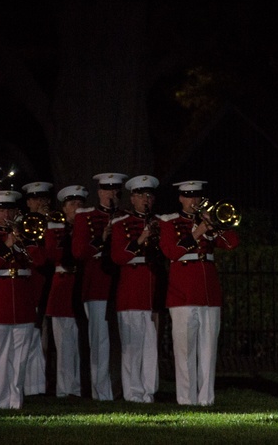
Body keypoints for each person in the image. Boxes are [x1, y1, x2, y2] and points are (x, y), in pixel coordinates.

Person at [159, 180, 239, 406]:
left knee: (208, 350)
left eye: (197, 196)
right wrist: (198, 232)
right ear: (181, 198)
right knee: (185, 350)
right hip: (183, 293)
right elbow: (171, 251)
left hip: (209, 293)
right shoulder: (169, 221)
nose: (194, 201)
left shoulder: (209, 220)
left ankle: (206, 399)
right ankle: (186, 399)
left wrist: (214, 224)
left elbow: (232, 243)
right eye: (189, 196)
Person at [0, 189, 48, 409]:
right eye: (1, 209)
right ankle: (1, 402)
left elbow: (40, 261)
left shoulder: (26, 232)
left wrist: (26, 240)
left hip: (22, 303)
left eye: (10, 209)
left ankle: (16, 403)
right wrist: (6, 247)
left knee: (20, 359)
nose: (6, 213)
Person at [71, 171, 127, 401]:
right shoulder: (86, 217)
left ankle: (125, 389)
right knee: (100, 341)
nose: (111, 194)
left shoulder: (125, 217)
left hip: (122, 285)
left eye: (115, 190)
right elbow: (79, 252)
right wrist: (101, 238)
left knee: (125, 340)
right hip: (98, 285)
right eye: (107, 190)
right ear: (99, 192)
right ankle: (101, 393)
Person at [109, 174, 165, 403]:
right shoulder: (121, 224)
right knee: (131, 348)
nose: (146, 199)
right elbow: (117, 256)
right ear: (132, 198)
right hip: (131, 292)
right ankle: (132, 393)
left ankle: (148, 392)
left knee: (151, 346)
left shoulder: (160, 223)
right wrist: (141, 239)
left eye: (149, 195)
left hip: (152, 292)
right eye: (141, 195)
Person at [45, 184, 89, 398]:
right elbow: (52, 254)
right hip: (62, 287)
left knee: (81, 342)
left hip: (81, 285)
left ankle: (79, 387)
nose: (77, 208)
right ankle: (65, 389)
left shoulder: (87, 227)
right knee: (64, 344)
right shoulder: (55, 229)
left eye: (80, 204)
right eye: (72, 204)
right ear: (64, 208)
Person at [20, 180, 55, 397]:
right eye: (35, 199)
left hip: (48, 280)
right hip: (30, 283)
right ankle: (29, 385)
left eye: (43, 199)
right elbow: (35, 257)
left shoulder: (54, 222)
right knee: (29, 334)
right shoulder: (22, 225)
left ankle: (39, 384)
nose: (39, 202)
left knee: (42, 334)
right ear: (28, 202)